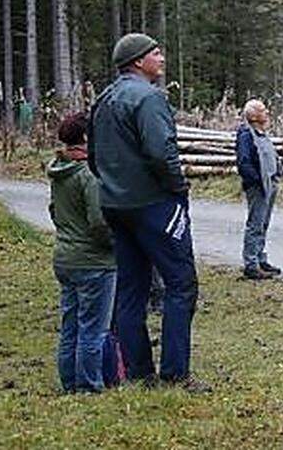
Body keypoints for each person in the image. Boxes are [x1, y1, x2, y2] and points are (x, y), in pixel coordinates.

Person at [88, 33, 206, 392]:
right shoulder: (149, 98)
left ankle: (139, 372)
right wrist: (177, 187)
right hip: (155, 204)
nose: (162, 57)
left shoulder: (104, 99)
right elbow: (160, 151)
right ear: (138, 61)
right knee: (181, 283)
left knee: (131, 289)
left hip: (115, 206)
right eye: (156, 53)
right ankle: (175, 373)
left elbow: (93, 157)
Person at [49, 111, 116, 393]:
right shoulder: (88, 174)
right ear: (87, 138)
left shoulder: (58, 170)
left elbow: (54, 211)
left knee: (70, 325)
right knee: (93, 329)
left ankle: (70, 382)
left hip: (65, 258)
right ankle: (88, 385)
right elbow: (99, 222)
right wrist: (116, 244)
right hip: (94, 262)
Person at [236, 99, 283, 280]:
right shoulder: (246, 135)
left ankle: (260, 259)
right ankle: (251, 264)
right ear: (254, 116)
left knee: (263, 224)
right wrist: (256, 181)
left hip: (269, 183)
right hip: (258, 186)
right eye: (263, 111)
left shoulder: (261, 134)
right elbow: (244, 163)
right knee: (255, 224)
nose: (267, 113)